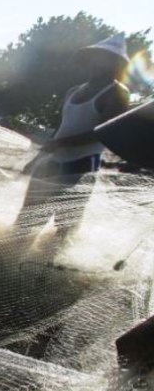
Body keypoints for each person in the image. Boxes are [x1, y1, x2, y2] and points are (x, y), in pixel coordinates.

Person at [14, 33, 130, 244]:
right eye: (97, 57)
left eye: (107, 59)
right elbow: (61, 128)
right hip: (51, 161)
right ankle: (8, 262)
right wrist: (37, 159)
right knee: (27, 218)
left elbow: (105, 132)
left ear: (116, 64)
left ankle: (49, 270)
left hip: (81, 166)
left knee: (64, 227)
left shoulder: (117, 93)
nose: (99, 63)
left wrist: (60, 144)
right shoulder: (73, 91)